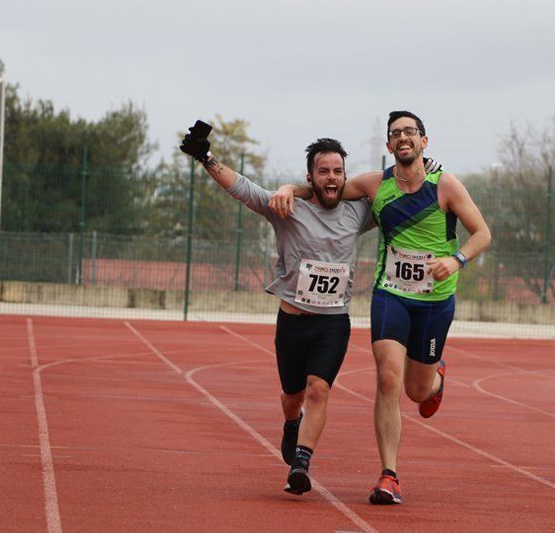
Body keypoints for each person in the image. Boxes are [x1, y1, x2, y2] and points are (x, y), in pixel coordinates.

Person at [270, 111, 491, 505]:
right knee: (388, 378)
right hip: (391, 294)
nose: (402, 137)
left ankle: (436, 379)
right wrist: (288, 186)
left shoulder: (447, 186)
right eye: (395, 134)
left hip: (435, 300)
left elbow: (482, 233)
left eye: (410, 132)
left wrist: (456, 260)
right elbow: (326, 189)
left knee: (416, 389)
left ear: (425, 141)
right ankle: (389, 476)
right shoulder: (376, 184)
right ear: (389, 146)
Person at [181, 128, 373, 496]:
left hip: (334, 323)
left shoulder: (358, 213)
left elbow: (394, 194)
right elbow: (244, 189)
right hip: (292, 323)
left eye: (338, 171)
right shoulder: (287, 209)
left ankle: (301, 461)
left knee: (319, 389)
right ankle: (291, 424)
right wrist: (207, 159)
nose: (331, 178)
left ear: (345, 176)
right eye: (323, 172)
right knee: (292, 397)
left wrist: (423, 174)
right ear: (310, 177)